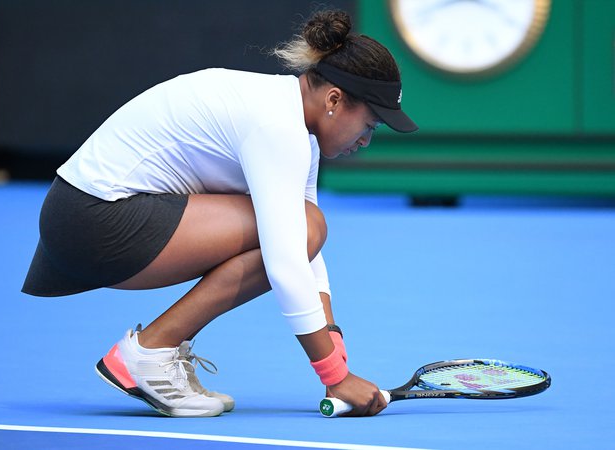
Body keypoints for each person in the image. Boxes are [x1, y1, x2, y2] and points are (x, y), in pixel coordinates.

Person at [22, 9, 417, 418]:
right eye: (369, 125)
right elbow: (288, 258)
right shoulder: (278, 128)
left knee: (303, 226)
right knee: (300, 230)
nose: (366, 140)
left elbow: (306, 250)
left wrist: (333, 340)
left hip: (78, 216)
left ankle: (151, 351)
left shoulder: (292, 121)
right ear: (334, 100)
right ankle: (150, 351)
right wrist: (335, 376)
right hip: (93, 220)